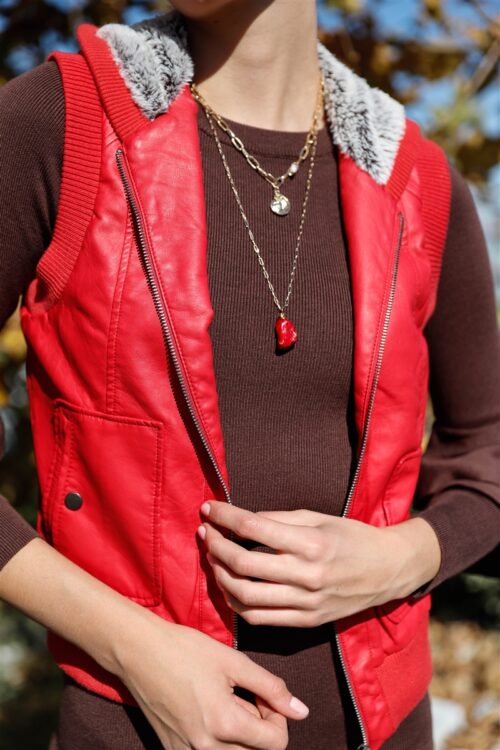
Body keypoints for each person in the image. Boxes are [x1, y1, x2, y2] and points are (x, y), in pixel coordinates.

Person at [0, 1, 499, 748]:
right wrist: (136, 650)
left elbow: (488, 449)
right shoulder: (61, 124)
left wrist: (403, 558)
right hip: (133, 729)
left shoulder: (416, 184)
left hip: (389, 728)